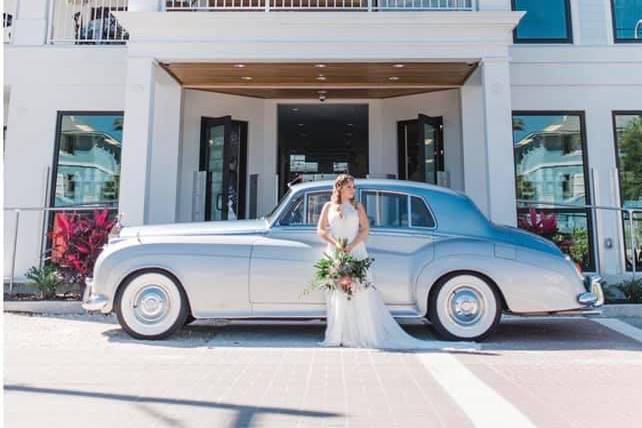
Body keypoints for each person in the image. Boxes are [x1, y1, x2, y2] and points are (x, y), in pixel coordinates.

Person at [316, 174, 477, 350]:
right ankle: (338, 334)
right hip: (335, 252)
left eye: (353, 187)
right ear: (339, 188)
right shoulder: (328, 207)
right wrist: (336, 243)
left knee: (359, 292)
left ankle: (359, 334)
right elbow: (321, 230)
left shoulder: (357, 206)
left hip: (355, 252)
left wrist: (352, 245)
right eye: (349, 187)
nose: (352, 190)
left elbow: (365, 230)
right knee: (338, 293)